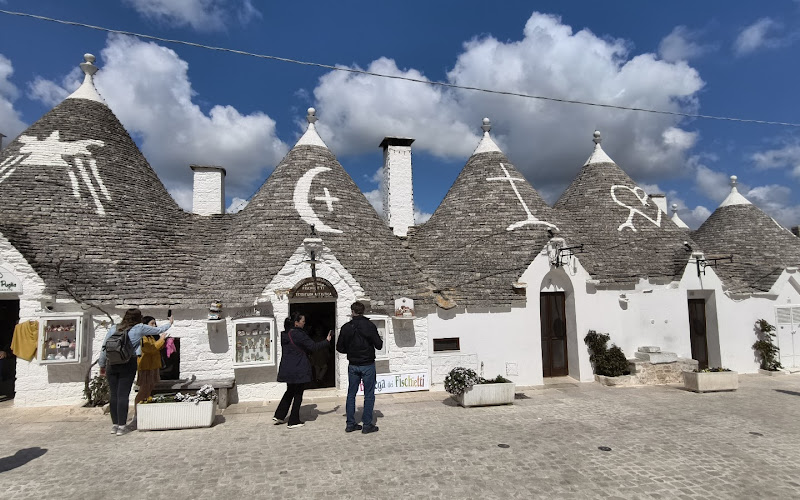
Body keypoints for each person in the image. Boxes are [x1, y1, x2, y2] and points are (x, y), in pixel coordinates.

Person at [99, 308, 172, 436]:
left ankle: (115, 425)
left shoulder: (114, 328)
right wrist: (170, 322)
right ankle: (122, 426)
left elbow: (104, 347)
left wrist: (102, 365)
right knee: (123, 395)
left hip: (112, 364)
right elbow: (159, 330)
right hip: (128, 363)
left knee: (114, 395)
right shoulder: (138, 328)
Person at [273, 312, 331, 429]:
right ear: (296, 323)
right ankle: (293, 420)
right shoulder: (299, 334)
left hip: (288, 367)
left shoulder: (286, 334)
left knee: (289, 391)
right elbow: (313, 347)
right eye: (303, 321)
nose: (304, 323)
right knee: (298, 393)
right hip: (298, 368)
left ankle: (279, 415)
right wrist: (327, 341)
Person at [336, 301, 383, 434]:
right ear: (363, 311)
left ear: (352, 311)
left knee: (351, 394)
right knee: (368, 395)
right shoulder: (370, 326)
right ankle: (367, 424)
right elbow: (379, 345)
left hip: (353, 364)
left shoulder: (346, 327)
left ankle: (350, 424)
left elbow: (339, 347)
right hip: (367, 364)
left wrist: (350, 351)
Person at [134, 316, 169, 410]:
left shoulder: (151, 336)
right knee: (143, 390)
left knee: (149, 389)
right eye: (152, 323)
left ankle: (144, 409)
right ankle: (137, 410)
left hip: (153, 366)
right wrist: (161, 339)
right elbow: (150, 349)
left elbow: (157, 347)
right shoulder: (143, 337)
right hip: (145, 367)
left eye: (155, 323)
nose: (154, 325)